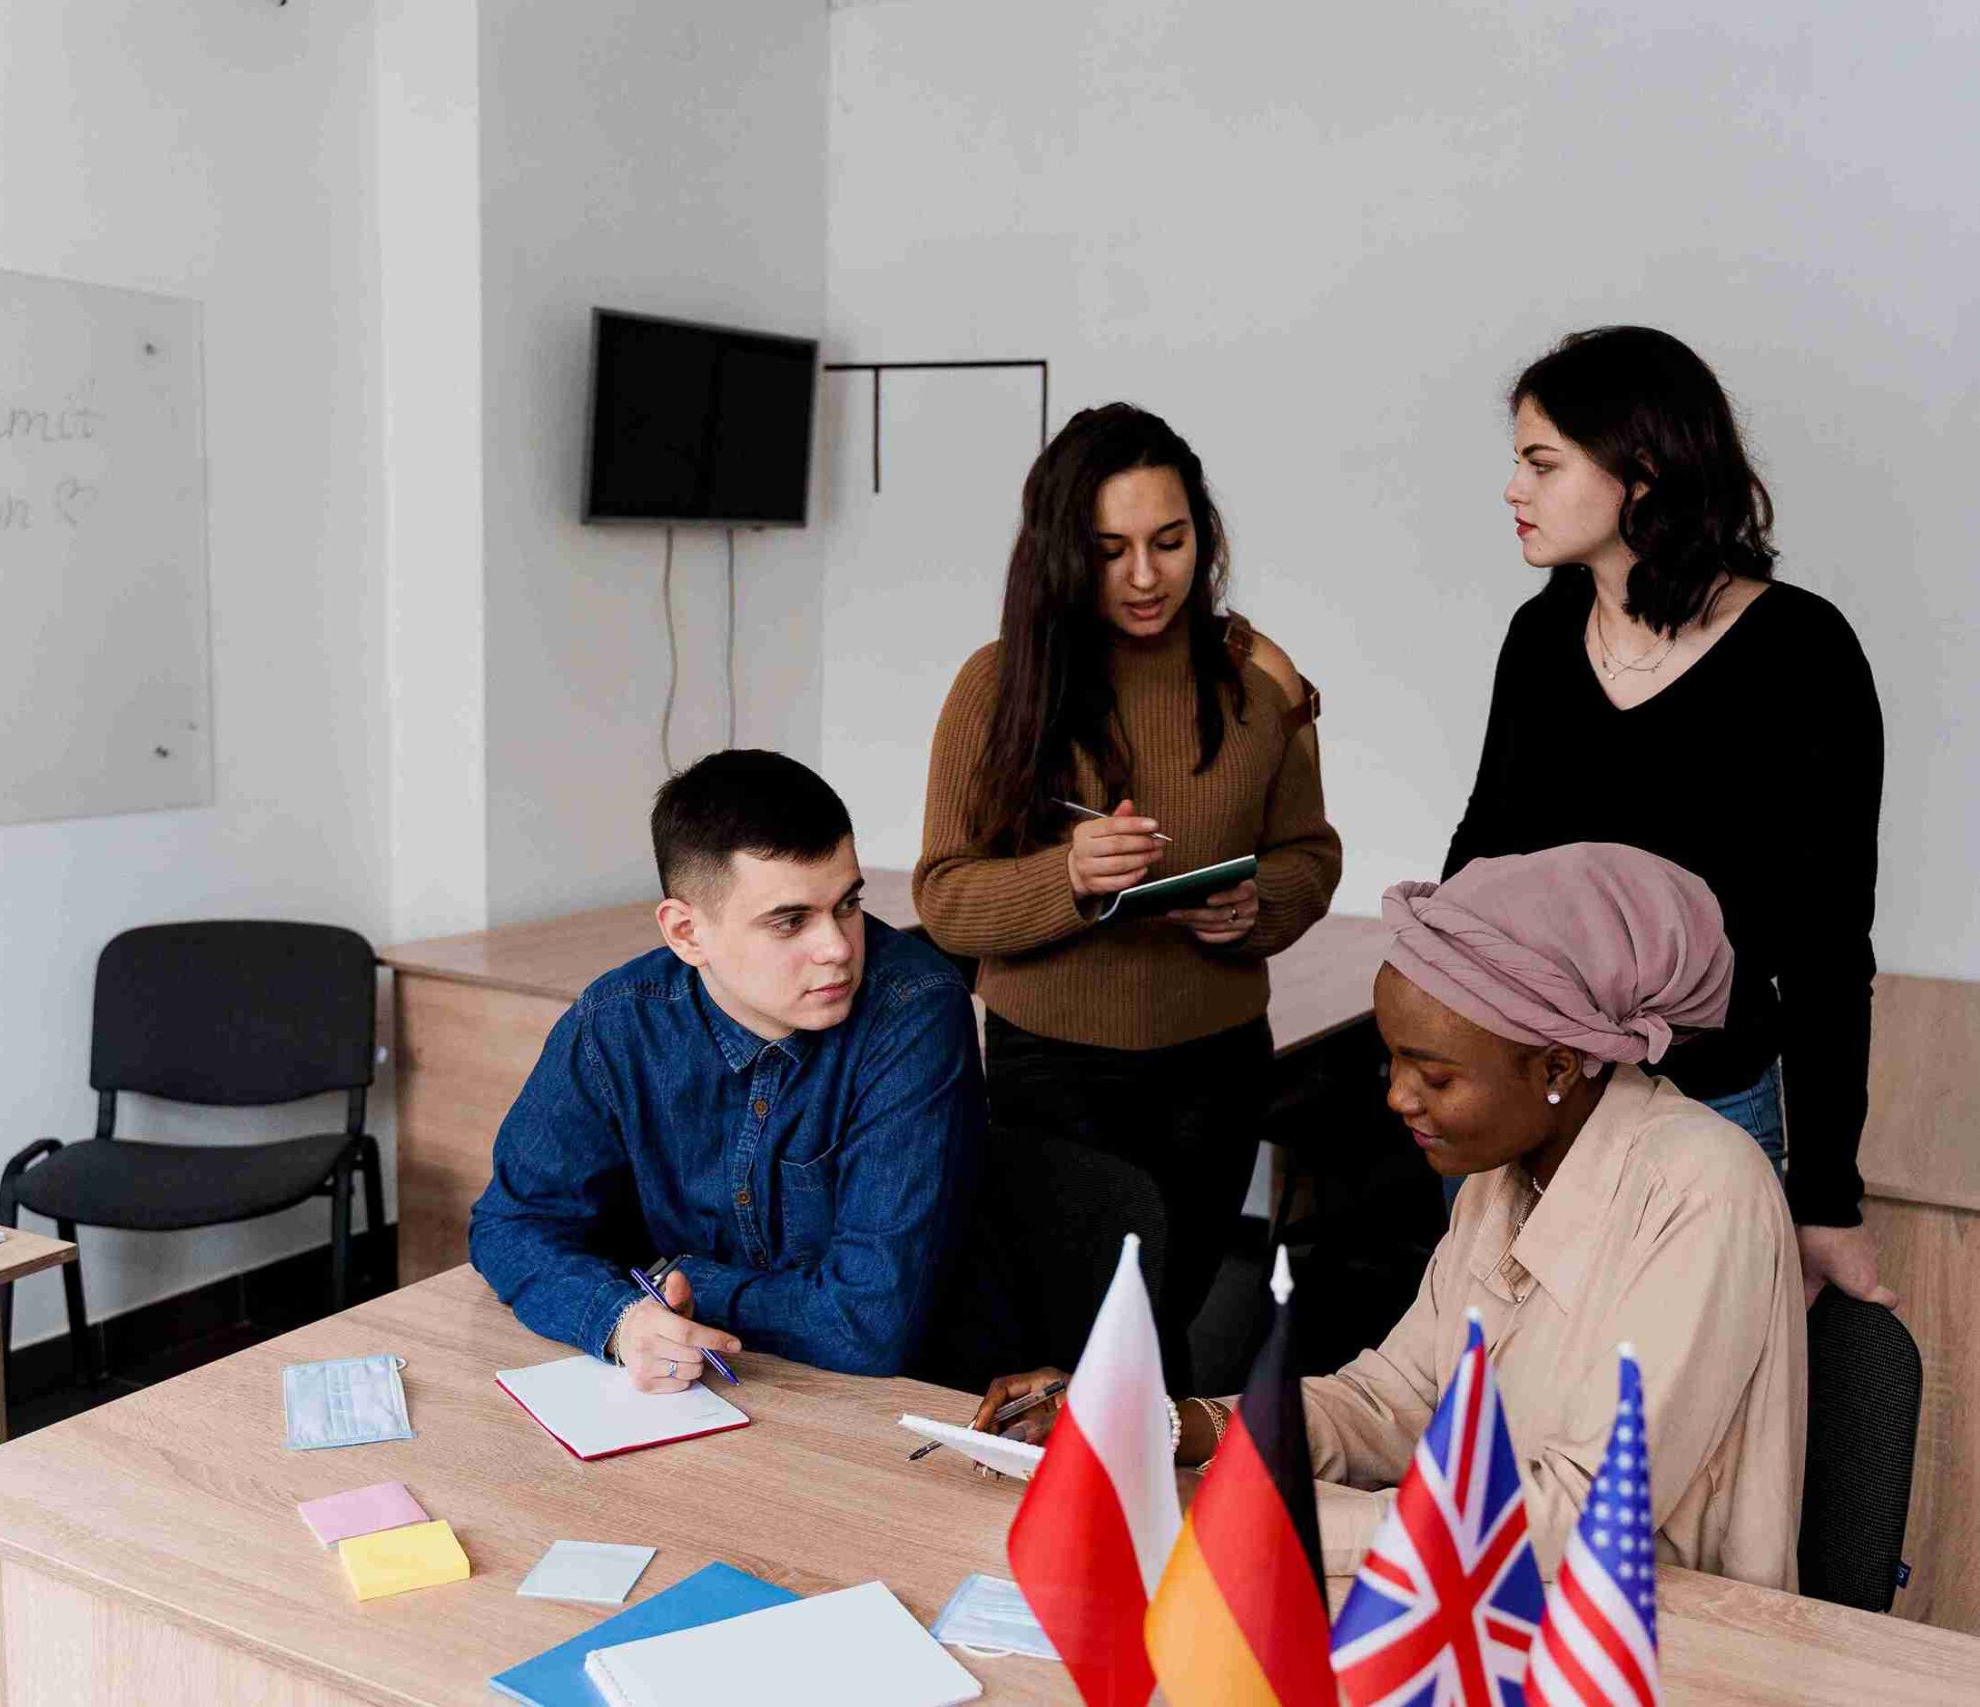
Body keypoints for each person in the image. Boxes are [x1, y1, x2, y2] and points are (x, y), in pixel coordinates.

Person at [971, 844, 1808, 1590]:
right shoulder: (1505, 1173)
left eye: (1434, 1075)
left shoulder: (1706, 1189)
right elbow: (1396, 1402)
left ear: (1557, 1065)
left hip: (1659, 1645)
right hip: (1479, 1605)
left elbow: (1579, 1519)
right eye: (1394, 1058)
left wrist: (1256, 1522)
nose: (1398, 1096)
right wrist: (1160, 1423)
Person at [1446, 325, 1895, 1310]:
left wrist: (1828, 1200)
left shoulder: (1800, 652)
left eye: (1539, 463)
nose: (1513, 490)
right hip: (1530, 1103)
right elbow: (1479, 862)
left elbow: (1825, 947)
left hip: (1708, 1114)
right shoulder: (1540, 634)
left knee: (1660, 1442)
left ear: (1639, 471)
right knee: (1496, 1429)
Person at [913, 402, 1342, 1386]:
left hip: (1216, 1072)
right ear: (1063, 551)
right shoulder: (997, 687)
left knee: (1162, 1334)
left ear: (1204, 536)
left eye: (1170, 541)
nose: (1145, 576)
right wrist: (1064, 874)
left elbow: (1309, 857)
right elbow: (945, 897)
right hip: (1053, 1076)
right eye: (1110, 549)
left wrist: (1254, 910)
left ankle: (1149, 1521)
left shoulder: (1256, 680)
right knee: (1070, 1346)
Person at [469, 749, 982, 1385]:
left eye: (847, 905)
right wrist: (620, 1320)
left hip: (872, 1406)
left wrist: (675, 1279)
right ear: (686, 933)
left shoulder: (914, 1010)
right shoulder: (618, 1020)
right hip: (695, 1396)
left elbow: (871, 1328)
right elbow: (512, 1223)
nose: (838, 948)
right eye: (790, 921)